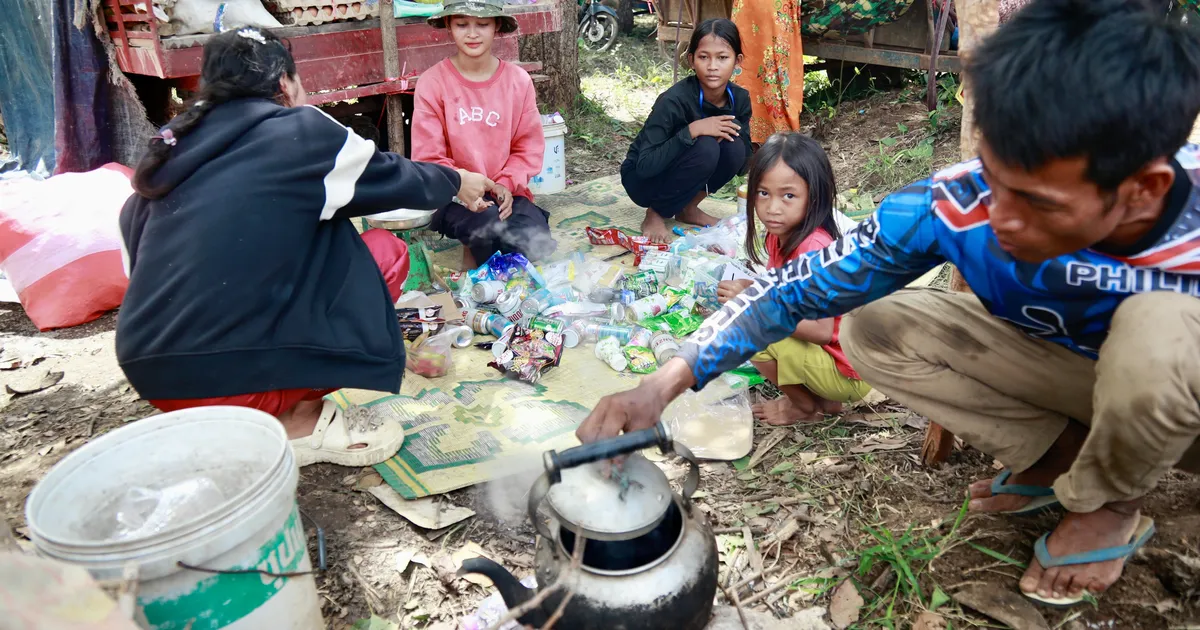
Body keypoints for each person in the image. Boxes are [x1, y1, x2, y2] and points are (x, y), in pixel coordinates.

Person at [578, 0, 1200, 607]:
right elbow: (795, 290)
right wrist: (661, 386)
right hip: (1075, 374)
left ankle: (1109, 505)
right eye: (994, 177)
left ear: (1145, 190)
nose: (999, 221)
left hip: (1180, 410)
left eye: (1039, 203)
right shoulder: (955, 203)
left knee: (1161, 327)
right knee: (875, 327)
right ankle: (1056, 457)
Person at [117, 28, 494, 467]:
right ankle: (302, 423)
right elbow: (396, 177)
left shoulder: (167, 155)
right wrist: (457, 181)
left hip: (157, 373)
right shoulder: (295, 131)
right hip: (232, 382)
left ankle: (243, 413)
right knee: (381, 252)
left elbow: (138, 269)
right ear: (283, 84)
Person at [717, 133, 872, 426]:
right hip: (837, 360)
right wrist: (749, 289)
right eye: (763, 193)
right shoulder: (783, 235)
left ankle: (802, 407)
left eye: (788, 195)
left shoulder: (812, 248)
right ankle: (825, 401)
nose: (773, 207)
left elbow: (822, 330)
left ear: (814, 197)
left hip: (849, 370)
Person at [412, 0, 557, 269]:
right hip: (452, 192)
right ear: (448, 25)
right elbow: (427, 156)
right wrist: (461, 183)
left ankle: (489, 255)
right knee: (485, 229)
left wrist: (505, 183)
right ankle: (472, 249)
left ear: (497, 25)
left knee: (534, 238)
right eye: (462, 24)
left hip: (505, 190)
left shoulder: (518, 81)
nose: (472, 33)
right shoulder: (432, 83)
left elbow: (527, 147)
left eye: (482, 24)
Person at [621, 18, 752, 243]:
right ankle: (655, 212)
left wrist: (736, 138)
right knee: (706, 147)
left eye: (722, 57)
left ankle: (688, 209)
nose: (713, 66)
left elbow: (742, 163)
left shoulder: (739, 99)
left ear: (737, 61)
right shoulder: (673, 101)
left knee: (734, 145)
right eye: (704, 57)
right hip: (643, 182)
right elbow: (643, 167)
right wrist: (692, 131)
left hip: (688, 169)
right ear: (691, 60)